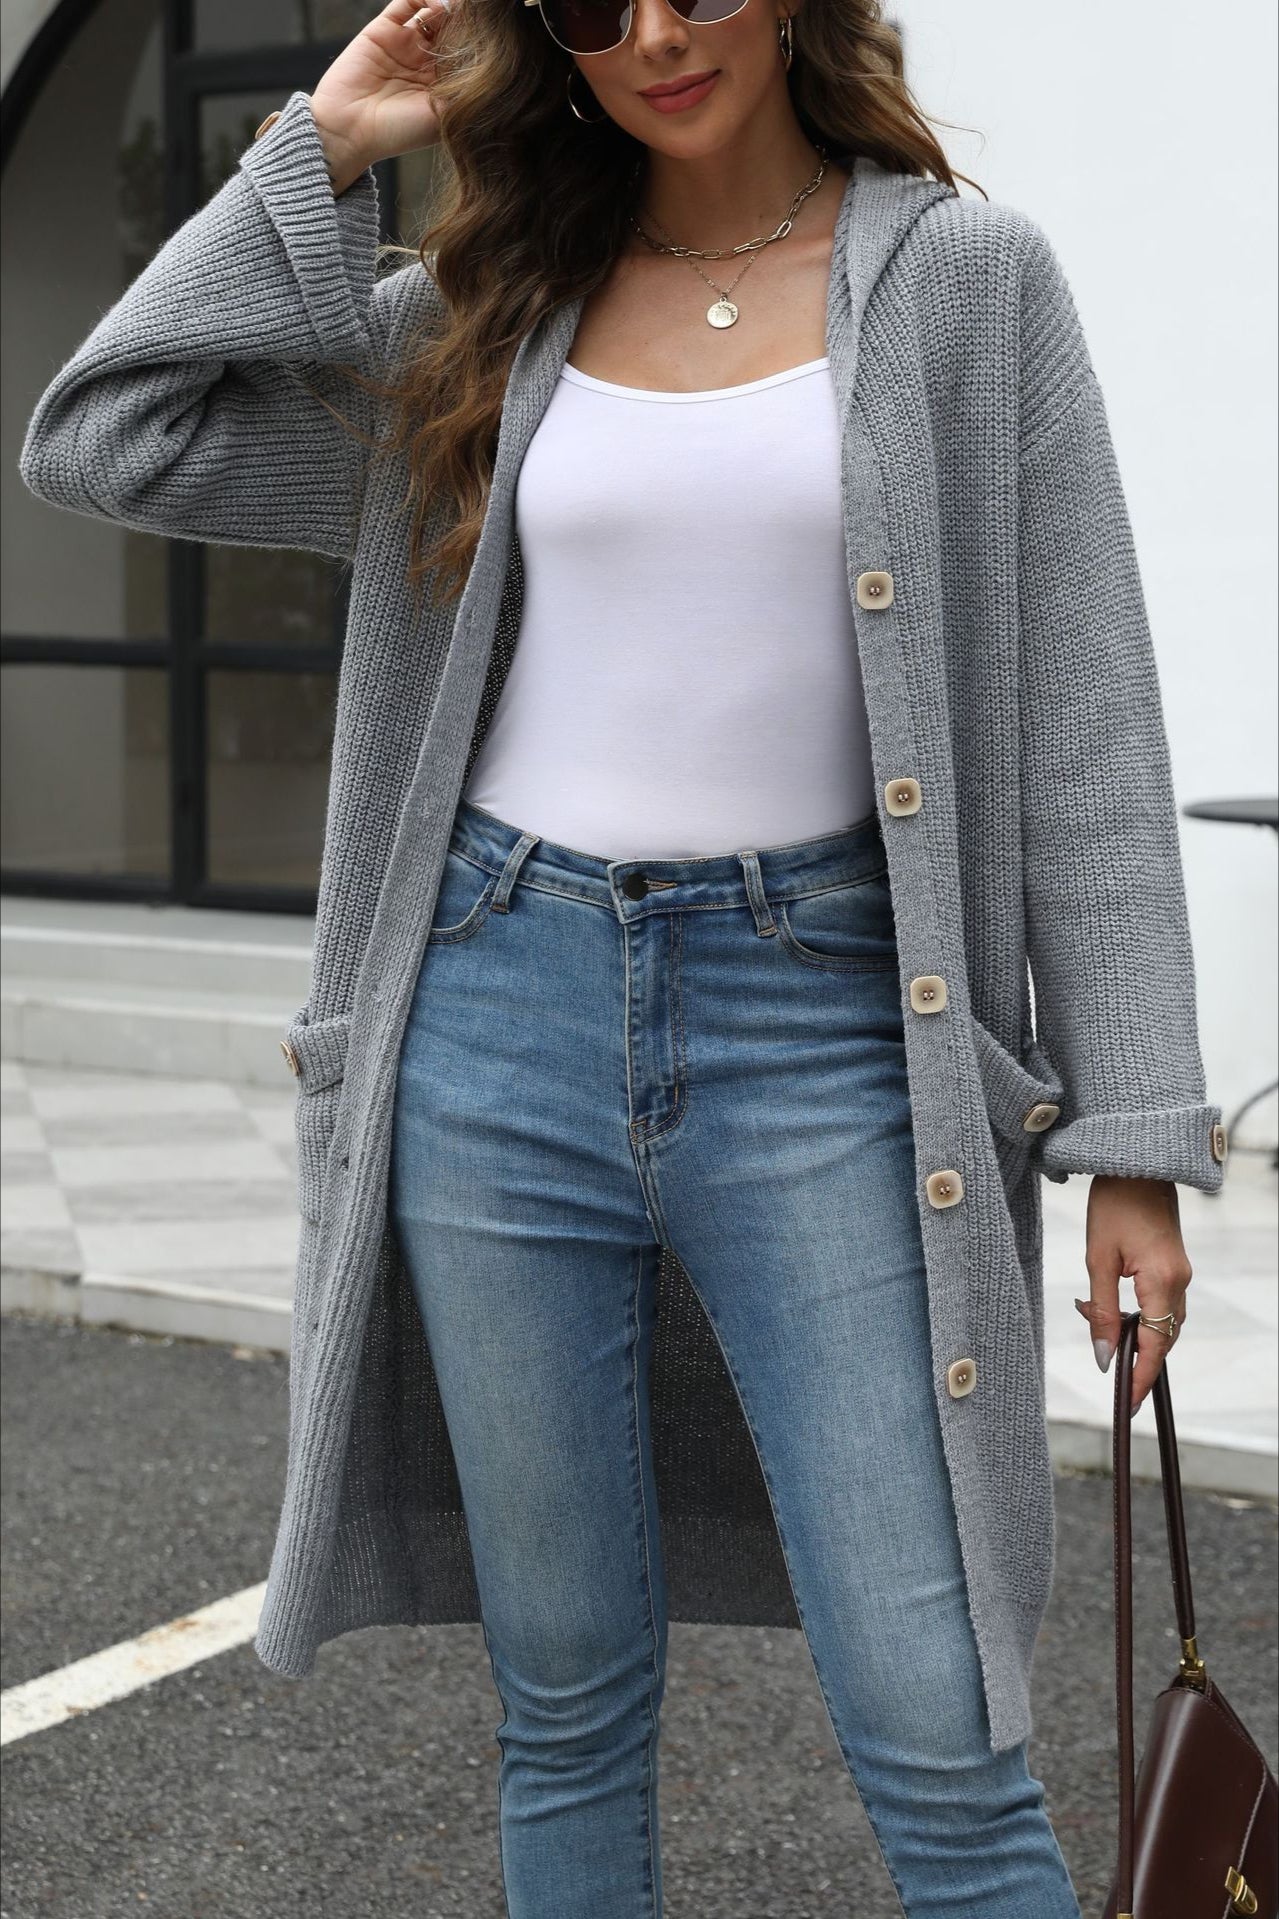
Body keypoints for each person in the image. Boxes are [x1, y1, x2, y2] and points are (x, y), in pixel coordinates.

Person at [19, 2, 1227, 1914]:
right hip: (492, 1014)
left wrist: (1134, 1142)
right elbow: (111, 436)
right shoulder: (480, 312)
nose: (656, 33)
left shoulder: (964, 284)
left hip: (830, 1032)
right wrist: (321, 148)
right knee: (566, 1695)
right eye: (592, 3)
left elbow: (1082, 722)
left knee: (941, 1720)